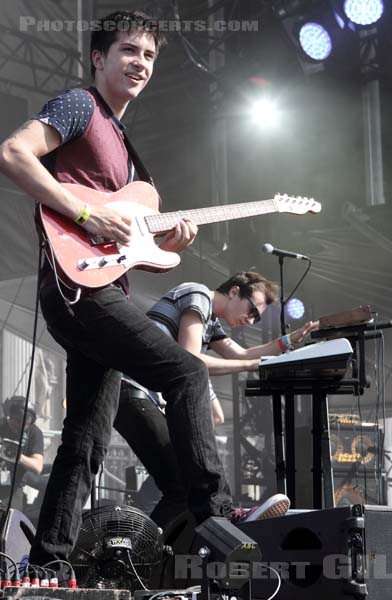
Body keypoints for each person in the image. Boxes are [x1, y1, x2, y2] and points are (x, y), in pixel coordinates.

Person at [0, 10, 278, 572]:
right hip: (80, 294)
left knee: (86, 439)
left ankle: (46, 565)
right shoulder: (80, 105)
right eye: (129, 51)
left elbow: (122, 247)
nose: (141, 63)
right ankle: (217, 514)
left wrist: (166, 238)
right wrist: (83, 211)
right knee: (187, 371)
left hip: (100, 286)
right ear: (99, 58)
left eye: (149, 56)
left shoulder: (125, 149)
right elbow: (13, 154)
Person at [115, 272, 318, 527]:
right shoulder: (198, 292)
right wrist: (251, 365)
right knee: (181, 482)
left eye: (257, 318)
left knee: (181, 487)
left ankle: (142, 552)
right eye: (252, 310)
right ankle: (149, 548)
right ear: (234, 291)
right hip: (133, 390)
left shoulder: (210, 321)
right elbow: (190, 358)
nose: (252, 320)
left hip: (140, 395)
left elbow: (242, 353)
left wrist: (288, 341)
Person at [0, 396, 44, 512]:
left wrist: (17, 456)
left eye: (24, 423)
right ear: (9, 417)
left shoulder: (34, 433)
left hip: (14, 486)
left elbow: (37, 466)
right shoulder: (1, 425)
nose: (19, 426)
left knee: (10, 520)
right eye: (16, 421)